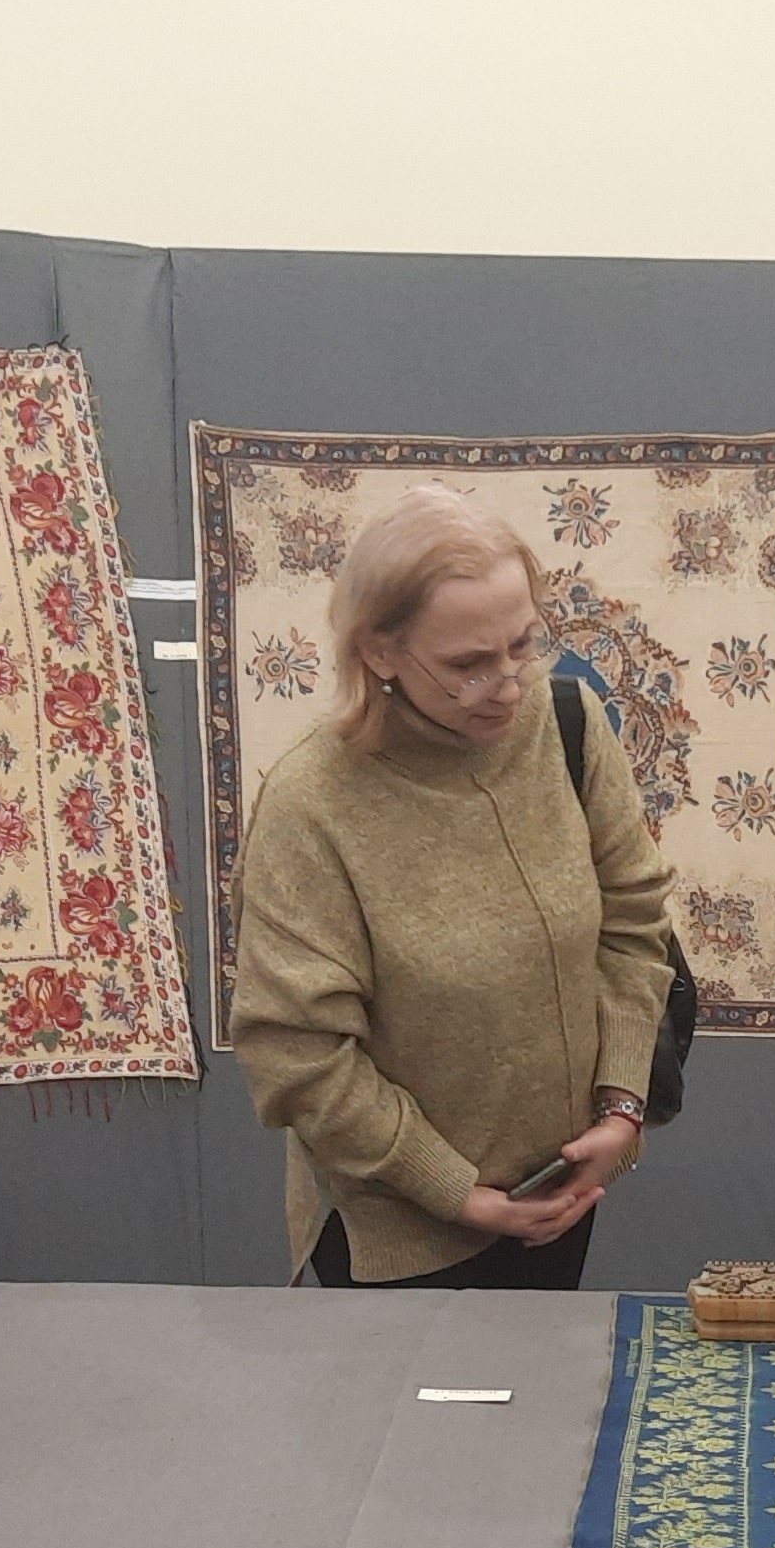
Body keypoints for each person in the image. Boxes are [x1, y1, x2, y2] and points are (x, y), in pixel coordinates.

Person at [229, 483, 675, 1288]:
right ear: (379, 652)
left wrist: (621, 1109)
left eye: (522, 645)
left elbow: (633, 926)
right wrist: (455, 1193)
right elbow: (298, 1052)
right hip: (398, 1241)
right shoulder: (312, 804)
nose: (507, 685)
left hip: (560, 1195)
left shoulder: (567, 725)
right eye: (467, 666)